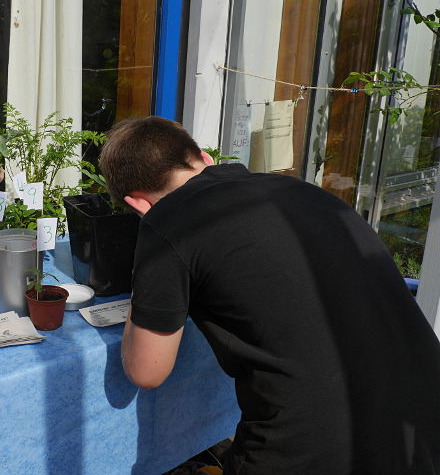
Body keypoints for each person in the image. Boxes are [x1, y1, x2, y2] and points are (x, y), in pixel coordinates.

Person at [99, 116, 440, 474]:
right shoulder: (300, 191)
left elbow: (146, 371)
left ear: (137, 203)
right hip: (420, 413)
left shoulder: (167, 223)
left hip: (316, 443)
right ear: (203, 158)